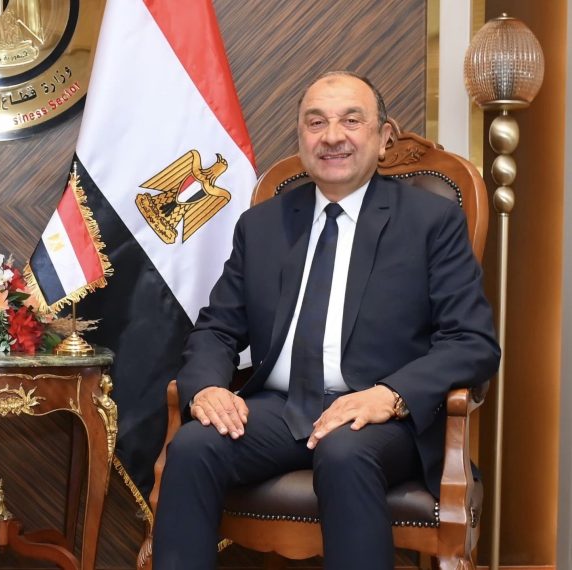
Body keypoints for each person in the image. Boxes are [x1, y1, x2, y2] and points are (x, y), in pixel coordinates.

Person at [151, 71, 500, 569]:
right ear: (301, 138)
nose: (332, 136)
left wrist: (390, 395)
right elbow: (217, 328)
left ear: (384, 137)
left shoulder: (430, 221)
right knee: (193, 445)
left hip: (378, 416)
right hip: (278, 410)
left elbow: (472, 342)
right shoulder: (263, 224)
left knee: (343, 453)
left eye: (351, 121)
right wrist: (207, 387)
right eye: (316, 123)